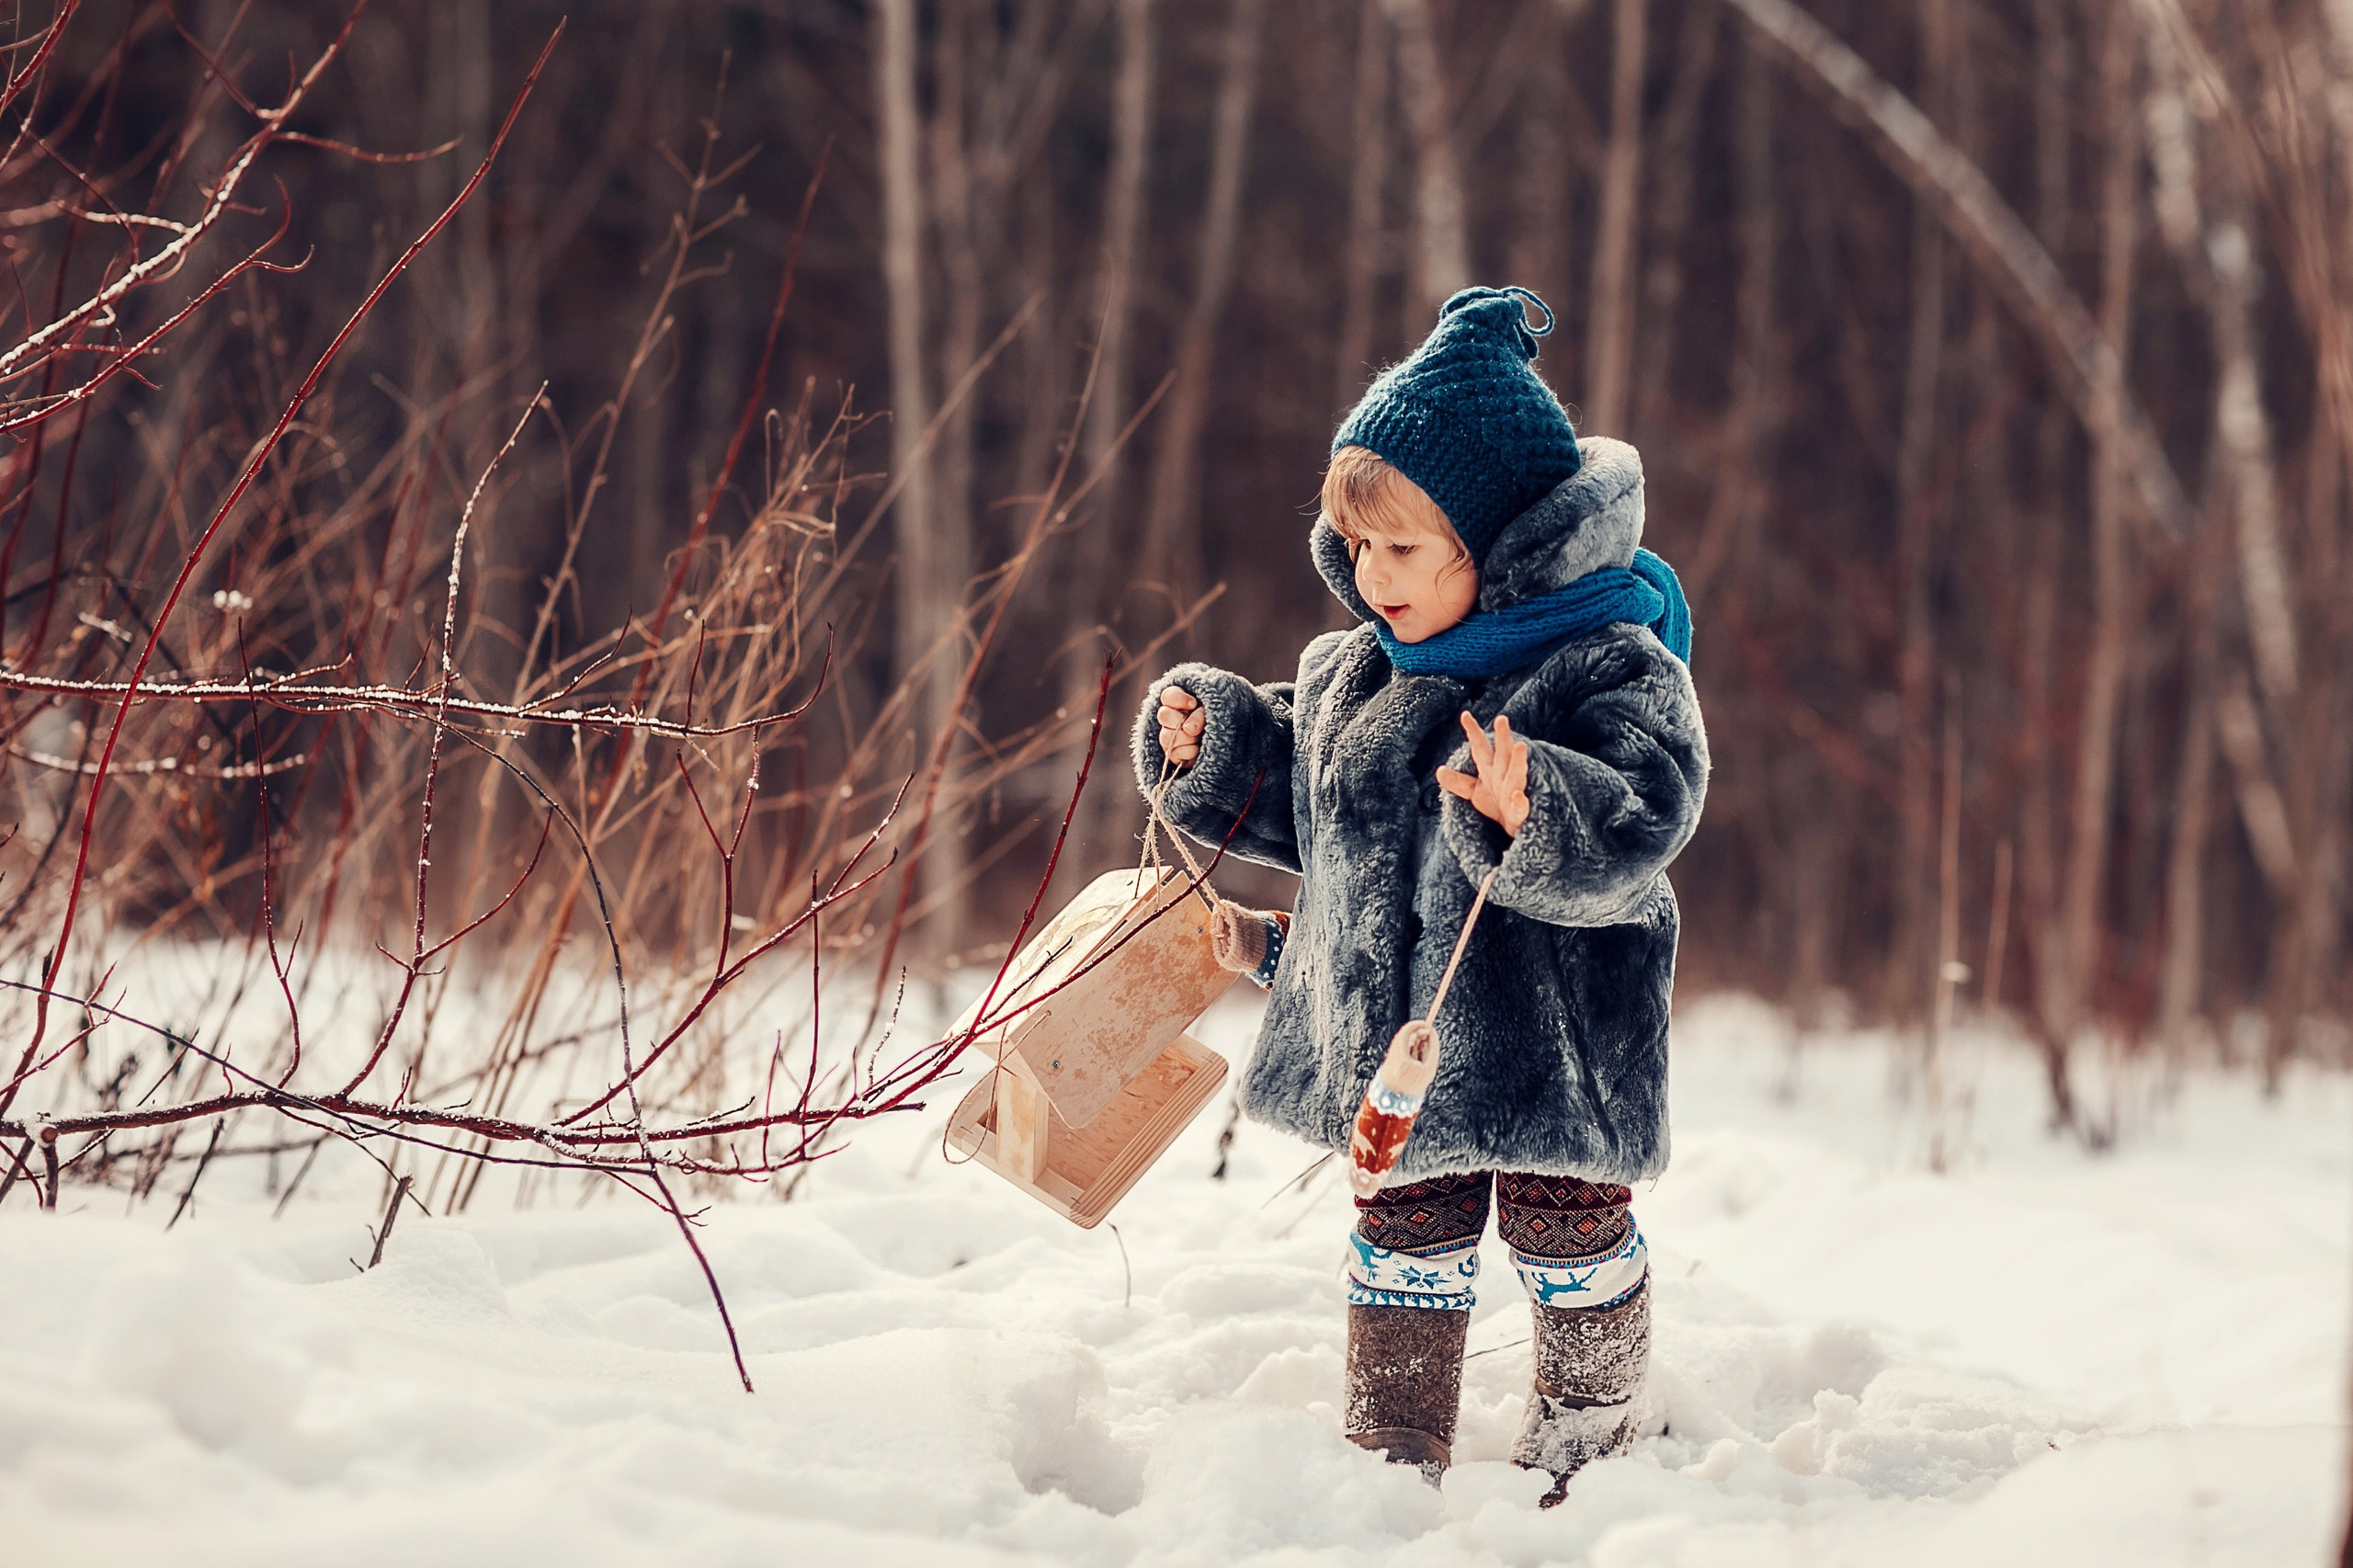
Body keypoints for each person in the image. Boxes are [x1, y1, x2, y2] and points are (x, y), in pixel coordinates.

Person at [1132, 286, 1708, 1503]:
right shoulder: (1358, 675)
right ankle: (1393, 1444)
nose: (1369, 573)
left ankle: (1593, 1425)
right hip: (1401, 1041)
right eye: (1357, 544)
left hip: (1556, 1039)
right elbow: (1315, 800)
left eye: (1404, 547)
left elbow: (1651, 804)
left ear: (1491, 548)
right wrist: (1218, 750)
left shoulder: (1605, 659)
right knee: (1405, 1230)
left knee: (1567, 1224)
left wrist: (1536, 800)